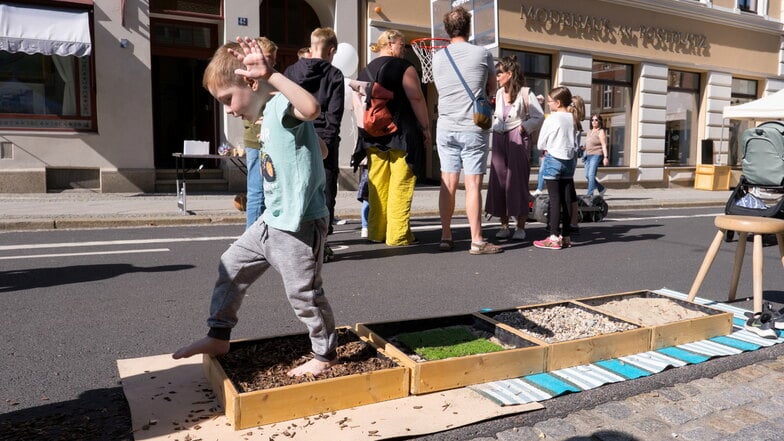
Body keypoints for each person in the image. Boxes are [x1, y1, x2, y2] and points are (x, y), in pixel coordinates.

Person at [173, 37, 337, 377]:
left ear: (251, 81)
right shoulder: (267, 118)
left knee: (303, 294)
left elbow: (311, 109)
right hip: (269, 222)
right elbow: (320, 151)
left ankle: (325, 355)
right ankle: (218, 335)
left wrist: (272, 73)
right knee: (230, 267)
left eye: (228, 99)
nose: (229, 110)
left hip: (298, 225)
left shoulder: (279, 107)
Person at [432, 6, 500, 255]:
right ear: (469, 28)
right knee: (473, 184)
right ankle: (476, 240)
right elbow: (491, 89)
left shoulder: (438, 57)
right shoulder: (482, 53)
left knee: (447, 182)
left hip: (446, 125)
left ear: (447, 30)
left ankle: (446, 236)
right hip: (473, 125)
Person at [352, 29, 430, 246]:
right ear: (389, 43)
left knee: (378, 184)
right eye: (401, 45)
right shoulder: (403, 67)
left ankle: (376, 231)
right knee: (401, 184)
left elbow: (356, 105)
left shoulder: (365, 71)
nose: (404, 50)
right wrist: (425, 128)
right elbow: (416, 97)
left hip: (373, 136)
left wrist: (365, 132)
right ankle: (398, 235)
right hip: (401, 134)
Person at [284, 28, 344, 261]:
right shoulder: (335, 75)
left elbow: (285, 106)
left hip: (296, 137)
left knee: (298, 188)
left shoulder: (291, 71)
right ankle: (322, 242)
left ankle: (296, 239)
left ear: (311, 46)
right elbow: (334, 115)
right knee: (325, 191)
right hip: (323, 138)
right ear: (331, 51)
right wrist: (326, 144)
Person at [486, 56, 543, 241]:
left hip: (517, 138)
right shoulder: (497, 93)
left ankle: (520, 226)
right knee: (499, 181)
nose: (496, 76)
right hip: (499, 137)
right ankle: (504, 225)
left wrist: (524, 127)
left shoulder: (526, 93)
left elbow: (538, 116)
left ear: (509, 74)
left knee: (517, 182)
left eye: (499, 73)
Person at [533, 87, 584, 250]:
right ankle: (566, 236)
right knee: (566, 199)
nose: (548, 104)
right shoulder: (573, 118)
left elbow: (541, 143)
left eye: (549, 101)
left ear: (558, 102)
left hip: (553, 158)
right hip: (569, 161)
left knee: (554, 200)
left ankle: (553, 237)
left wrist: (549, 145)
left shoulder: (552, 119)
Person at [243, 37, 277, 230]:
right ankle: (251, 237)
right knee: (257, 192)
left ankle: (265, 235)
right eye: (266, 57)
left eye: (272, 58)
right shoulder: (251, 78)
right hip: (257, 141)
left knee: (271, 191)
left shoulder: (273, 77)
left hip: (272, 140)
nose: (270, 62)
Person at [584, 113, 609, 197]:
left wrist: (605, 157)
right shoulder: (589, 131)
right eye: (592, 120)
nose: (594, 122)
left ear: (599, 121)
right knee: (587, 175)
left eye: (596, 120)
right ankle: (601, 189)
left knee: (591, 174)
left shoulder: (601, 131)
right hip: (588, 155)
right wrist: (583, 148)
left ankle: (590, 194)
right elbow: (587, 143)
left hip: (596, 155)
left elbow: (604, 145)